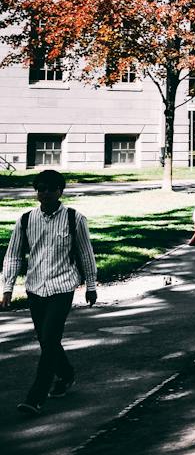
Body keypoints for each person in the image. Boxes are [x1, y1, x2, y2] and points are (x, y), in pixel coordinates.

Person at [1, 170, 98, 418]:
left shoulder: (74, 218)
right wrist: (8, 288)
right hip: (35, 287)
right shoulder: (25, 220)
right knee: (47, 341)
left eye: (49, 188)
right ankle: (66, 374)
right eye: (40, 188)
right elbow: (13, 255)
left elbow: (86, 254)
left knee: (50, 336)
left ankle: (36, 397)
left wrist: (91, 285)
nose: (44, 193)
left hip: (62, 287)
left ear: (60, 191)